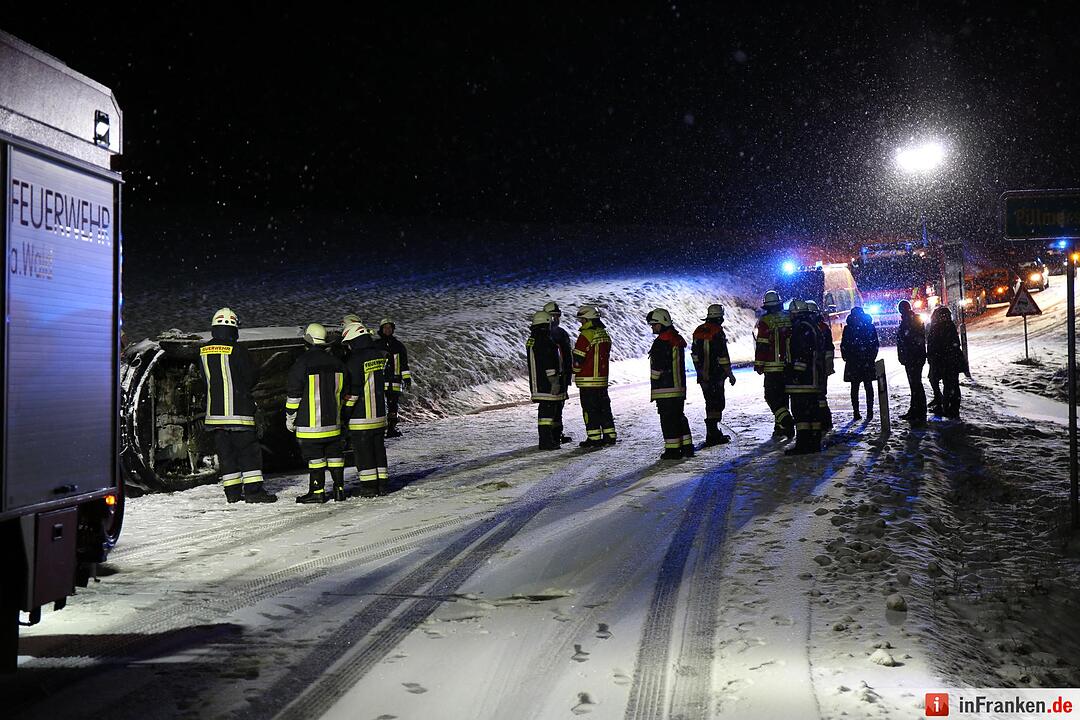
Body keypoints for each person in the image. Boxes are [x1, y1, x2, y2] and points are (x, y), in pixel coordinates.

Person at [198, 308, 277, 504]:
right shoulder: (238, 350)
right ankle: (253, 492)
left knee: (226, 455)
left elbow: (203, 379)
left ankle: (232, 493)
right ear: (234, 328)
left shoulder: (203, 351)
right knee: (249, 454)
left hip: (214, 416)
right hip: (239, 413)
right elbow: (250, 377)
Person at [285, 324, 348, 503]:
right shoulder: (338, 363)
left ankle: (317, 492)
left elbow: (294, 394)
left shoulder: (302, 363)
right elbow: (345, 392)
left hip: (310, 424)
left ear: (309, 340)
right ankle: (339, 490)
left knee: (315, 459)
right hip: (333, 423)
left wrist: (290, 417)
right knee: (335, 456)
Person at [342, 322, 392, 496]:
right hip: (379, 415)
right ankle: (383, 484)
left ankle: (369, 487)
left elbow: (353, 392)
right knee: (379, 451)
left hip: (361, 418)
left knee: (364, 453)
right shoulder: (378, 355)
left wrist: (344, 413)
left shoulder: (354, 360)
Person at [647, 308, 694, 459]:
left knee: (668, 420)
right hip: (678, 388)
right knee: (679, 417)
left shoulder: (662, 342)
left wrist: (654, 379)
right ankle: (687, 446)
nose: (653, 328)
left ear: (662, 323)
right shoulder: (676, 339)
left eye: (654, 324)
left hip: (665, 389)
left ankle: (672, 450)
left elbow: (657, 367)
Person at [572, 304, 617, 447]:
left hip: (587, 381)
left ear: (587, 319)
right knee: (604, 408)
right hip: (602, 380)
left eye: (582, 320)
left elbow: (578, 359)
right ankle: (610, 435)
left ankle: (594, 438)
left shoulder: (586, 335)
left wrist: (574, 370)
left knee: (590, 410)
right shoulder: (604, 334)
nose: (581, 323)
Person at [784, 299, 826, 455]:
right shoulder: (812, 326)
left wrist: (796, 372)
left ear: (795, 313)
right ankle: (814, 442)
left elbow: (802, 353)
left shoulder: (800, 328)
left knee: (801, 412)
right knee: (812, 411)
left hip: (803, 380)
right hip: (814, 376)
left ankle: (803, 443)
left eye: (791, 313)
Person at [691, 303, 736, 446]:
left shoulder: (698, 331)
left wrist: (700, 371)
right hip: (716, 376)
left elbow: (695, 355)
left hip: (703, 376)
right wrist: (729, 373)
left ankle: (712, 432)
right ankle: (713, 433)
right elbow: (723, 356)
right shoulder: (717, 332)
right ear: (720, 317)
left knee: (709, 402)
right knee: (717, 403)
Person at [754, 290, 795, 438]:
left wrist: (759, 364)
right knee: (784, 397)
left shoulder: (766, 321)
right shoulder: (789, 317)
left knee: (771, 396)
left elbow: (762, 344)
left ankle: (786, 421)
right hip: (789, 365)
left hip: (772, 367)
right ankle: (780, 427)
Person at [527, 310, 568, 449]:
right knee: (547, 413)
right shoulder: (544, 340)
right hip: (547, 385)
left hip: (539, 383)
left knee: (547, 412)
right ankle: (546, 441)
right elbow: (548, 361)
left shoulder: (534, 339)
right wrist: (554, 380)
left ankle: (550, 439)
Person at [840, 306, 879, 421]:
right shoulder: (869, 326)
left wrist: (847, 357)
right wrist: (871, 357)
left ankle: (856, 412)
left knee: (855, 387)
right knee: (868, 387)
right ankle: (869, 411)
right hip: (865, 361)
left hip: (854, 362)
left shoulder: (849, 328)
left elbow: (844, 344)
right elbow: (875, 344)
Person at [544, 301, 574, 444]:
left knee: (558, 407)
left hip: (561, 376)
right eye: (553, 316)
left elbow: (567, 356)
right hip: (551, 378)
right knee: (551, 407)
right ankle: (551, 436)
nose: (556, 319)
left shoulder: (560, 333)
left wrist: (568, 374)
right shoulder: (547, 335)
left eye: (557, 316)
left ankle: (556, 434)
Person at [927, 306, 964, 418]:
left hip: (943, 361)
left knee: (948, 385)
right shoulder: (948, 326)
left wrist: (934, 357)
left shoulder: (939, 328)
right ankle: (949, 407)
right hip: (948, 361)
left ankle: (948, 408)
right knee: (950, 384)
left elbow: (935, 346)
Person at [377, 318, 411, 438]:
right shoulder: (376, 345)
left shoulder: (398, 346)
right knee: (379, 406)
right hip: (380, 381)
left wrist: (406, 378)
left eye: (390, 327)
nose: (387, 330)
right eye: (385, 327)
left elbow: (404, 364)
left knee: (393, 406)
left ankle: (391, 428)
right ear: (381, 329)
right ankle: (380, 429)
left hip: (395, 380)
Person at [896, 300, 928, 426]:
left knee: (915, 384)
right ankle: (916, 410)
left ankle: (918, 411)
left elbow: (908, 339)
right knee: (915, 384)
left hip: (912, 357)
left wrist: (905, 353)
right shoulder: (913, 319)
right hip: (915, 357)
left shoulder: (909, 320)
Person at [806, 299, 834, 432]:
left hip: (813, 366)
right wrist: (828, 364)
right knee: (821, 394)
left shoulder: (808, 327)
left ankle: (819, 421)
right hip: (820, 365)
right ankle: (825, 421)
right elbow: (829, 348)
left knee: (816, 395)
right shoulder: (823, 327)